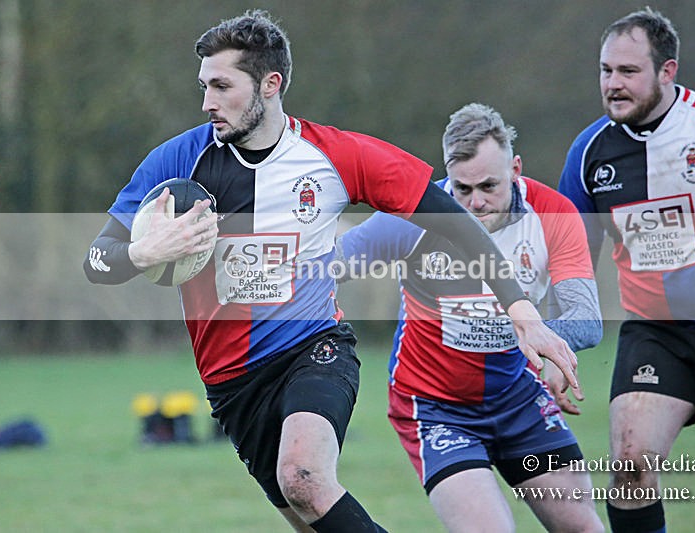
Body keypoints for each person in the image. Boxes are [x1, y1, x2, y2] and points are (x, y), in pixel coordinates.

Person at [83, 10, 579, 533]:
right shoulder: (177, 161)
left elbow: (454, 222)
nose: (207, 101)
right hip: (231, 384)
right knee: (310, 515)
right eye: (204, 85)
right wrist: (142, 252)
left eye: (222, 86)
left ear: (270, 85)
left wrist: (522, 312)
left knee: (304, 478)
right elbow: (98, 261)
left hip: (313, 350)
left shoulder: (334, 155)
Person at [337, 103, 605, 533]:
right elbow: (330, 265)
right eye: (462, 189)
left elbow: (586, 319)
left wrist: (547, 343)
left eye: (489, 186)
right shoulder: (413, 217)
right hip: (436, 408)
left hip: (519, 397)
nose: (476, 202)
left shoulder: (552, 215)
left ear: (516, 168)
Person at [558, 8, 695, 533]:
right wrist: (551, 333)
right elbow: (566, 253)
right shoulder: (589, 152)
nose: (613, 84)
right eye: (606, 71)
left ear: (668, 71)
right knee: (629, 465)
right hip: (656, 331)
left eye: (628, 71)